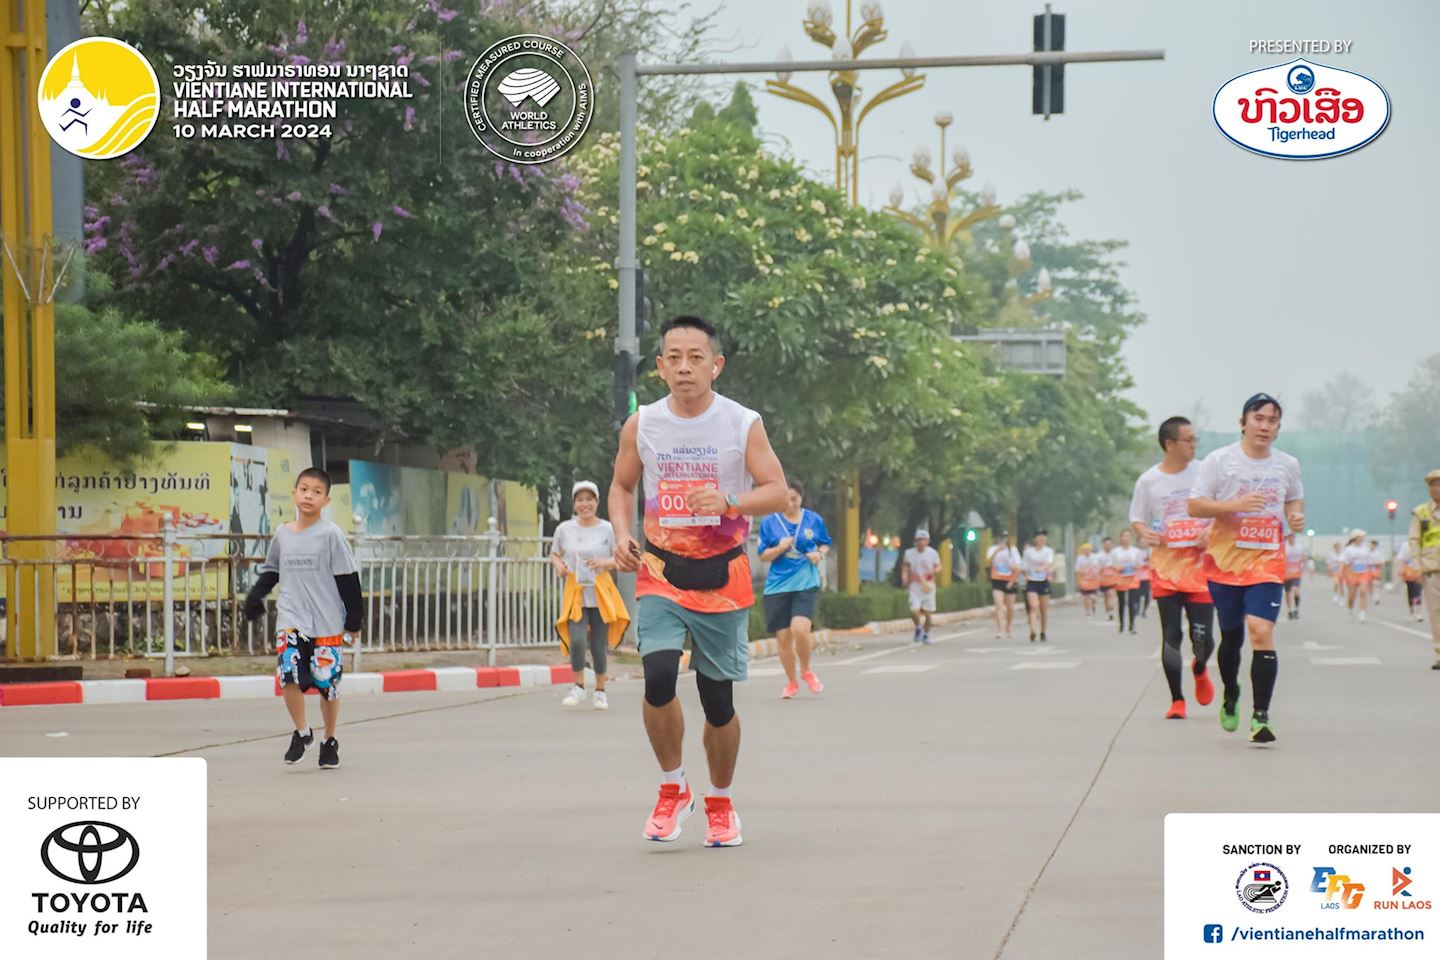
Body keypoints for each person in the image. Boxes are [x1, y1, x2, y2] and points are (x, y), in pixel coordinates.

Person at [609, 315, 788, 848]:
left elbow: (777, 490)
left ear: (716, 364)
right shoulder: (643, 424)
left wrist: (732, 500)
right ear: (661, 367)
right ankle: (672, 789)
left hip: (722, 575)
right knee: (658, 676)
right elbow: (621, 487)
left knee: (717, 701)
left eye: (696, 357)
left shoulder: (741, 423)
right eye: (674, 357)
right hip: (661, 569)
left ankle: (721, 802)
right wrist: (621, 535)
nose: (685, 367)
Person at [1188, 393, 1303, 745]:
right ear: (1243, 423)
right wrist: (1234, 505)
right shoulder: (1219, 461)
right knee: (1232, 636)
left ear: (1278, 428)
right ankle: (1231, 693)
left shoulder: (1287, 464)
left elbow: (1293, 499)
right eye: (1259, 419)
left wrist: (1295, 515)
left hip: (1267, 561)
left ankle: (1261, 716)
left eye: (1272, 421)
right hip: (1224, 562)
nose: (1265, 426)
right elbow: (1194, 506)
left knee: (1260, 631)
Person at [243, 467, 362, 769]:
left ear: (326, 500)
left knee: (327, 684)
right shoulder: (283, 534)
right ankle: (302, 731)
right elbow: (272, 570)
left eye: (317, 491)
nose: (309, 495)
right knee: (289, 676)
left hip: (326, 622)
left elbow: (348, 580)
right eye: (304, 489)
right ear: (295, 493)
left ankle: (329, 739)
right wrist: (256, 597)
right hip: (291, 618)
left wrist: (354, 621)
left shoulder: (331, 535)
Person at [1129, 415, 1215, 719]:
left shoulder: (1205, 472)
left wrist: (1210, 530)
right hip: (1165, 568)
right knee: (1171, 634)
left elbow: (1221, 509)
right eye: (1188, 440)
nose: (1193, 445)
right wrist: (1143, 532)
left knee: (1203, 640)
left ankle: (1200, 668)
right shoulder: (1149, 481)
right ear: (1170, 444)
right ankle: (1177, 700)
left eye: (1195, 440)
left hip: (1201, 569)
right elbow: (1137, 517)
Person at [552, 481, 627, 711]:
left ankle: (601, 691)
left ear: (597, 502)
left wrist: (604, 562)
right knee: (576, 641)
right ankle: (578, 686)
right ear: (574, 503)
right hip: (575, 591)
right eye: (580, 500)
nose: (585, 504)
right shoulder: (564, 529)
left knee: (597, 645)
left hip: (600, 592)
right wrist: (559, 567)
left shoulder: (607, 529)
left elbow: (621, 559)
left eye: (589, 499)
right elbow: (554, 554)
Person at [758, 480, 832, 699]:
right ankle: (791, 682)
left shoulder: (813, 519)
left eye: (794, 499)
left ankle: (806, 670)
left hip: (805, 583)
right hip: (777, 586)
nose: (790, 504)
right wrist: (778, 548)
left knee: (800, 630)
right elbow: (763, 555)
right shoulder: (770, 522)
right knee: (783, 638)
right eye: (786, 499)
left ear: (801, 498)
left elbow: (825, 543)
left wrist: (819, 554)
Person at [1407, 469, 1440, 669]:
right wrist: (1417, 566)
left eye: (1439, 484)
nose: (1436, 488)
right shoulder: (1421, 513)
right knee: (1436, 613)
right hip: (1431, 570)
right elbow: (1414, 540)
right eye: (1432, 485)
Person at [901, 529, 941, 645]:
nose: (922, 542)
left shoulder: (932, 553)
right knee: (915, 611)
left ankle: (926, 634)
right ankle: (918, 627)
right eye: (919, 540)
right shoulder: (909, 553)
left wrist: (933, 571)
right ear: (915, 541)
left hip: (928, 586)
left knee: (928, 614)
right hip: (915, 585)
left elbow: (939, 566)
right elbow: (905, 567)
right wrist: (904, 577)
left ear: (928, 541)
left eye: (924, 540)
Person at [986, 531, 1023, 639]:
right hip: (997, 579)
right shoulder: (992, 549)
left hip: (1010, 579)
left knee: (1010, 607)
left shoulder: (1013, 550)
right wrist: (997, 550)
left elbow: (1018, 566)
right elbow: (988, 562)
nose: (1002, 540)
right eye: (1000, 537)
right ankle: (999, 629)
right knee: (999, 605)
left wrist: (1012, 580)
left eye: (1005, 538)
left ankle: (1008, 626)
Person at [1022, 530, 1056, 642]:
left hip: (1043, 581)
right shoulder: (1028, 552)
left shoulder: (1048, 551)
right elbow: (1025, 565)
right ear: (1035, 539)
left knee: (1043, 610)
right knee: (1033, 606)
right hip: (1032, 581)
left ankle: (1043, 631)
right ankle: (1032, 631)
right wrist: (1026, 574)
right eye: (1039, 537)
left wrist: (1042, 569)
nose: (1041, 539)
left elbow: (1050, 563)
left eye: (1044, 538)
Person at [1112, 529, 1144, 635]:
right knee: (1121, 603)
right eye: (1124, 536)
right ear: (1121, 538)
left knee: (1132, 603)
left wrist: (1135, 567)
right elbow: (1112, 565)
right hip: (1121, 579)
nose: (1126, 538)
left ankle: (1132, 625)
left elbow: (1140, 565)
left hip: (1132, 579)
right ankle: (1121, 624)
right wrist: (1118, 567)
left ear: (1131, 538)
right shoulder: (1116, 551)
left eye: (1128, 536)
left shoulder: (1136, 551)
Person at [1339, 530, 1370, 622]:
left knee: (1363, 591)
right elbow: (1343, 562)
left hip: (1363, 573)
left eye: (1363, 536)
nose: (1362, 538)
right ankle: (1350, 608)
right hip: (1351, 574)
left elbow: (1368, 562)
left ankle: (1362, 613)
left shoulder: (1365, 549)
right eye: (1361, 536)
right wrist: (1341, 572)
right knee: (1352, 595)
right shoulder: (1349, 549)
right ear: (1355, 538)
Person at [1396, 540, 1424, 622]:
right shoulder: (1405, 545)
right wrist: (1400, 570)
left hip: (1418, 572)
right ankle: (1411, 610)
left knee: (1418, 591)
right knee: (1410, 592)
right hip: (1408, 572)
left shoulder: (1421, 545)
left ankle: (1418, 612)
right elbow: (1401, 559)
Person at [1074, 543, 1102, 619]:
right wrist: (1080, 578)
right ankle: (1087, 611)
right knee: (1086, 597)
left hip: (1093, 580)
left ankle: (1093, 606)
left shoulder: (1095, 557)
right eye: (1085, 550)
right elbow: (1077, 569)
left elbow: (1098, 567)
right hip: (1084, 580)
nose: (1086, 551)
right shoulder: (1080, 558)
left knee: (1093, 597)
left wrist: (1094, 572)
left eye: (1088, 549)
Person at [1283, 533, 1305, 621]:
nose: (1291, 538)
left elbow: (1303, 557)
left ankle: (1296, 609)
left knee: (1296, 590)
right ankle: (1289, 610)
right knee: (1288, 593)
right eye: (1289, 536)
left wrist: (1301, 563)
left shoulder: (1299, 547)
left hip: (1296, 573)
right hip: (1286, 574)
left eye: (1293, 536)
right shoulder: (1284, 547)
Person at [1097, 536, 1118, 621]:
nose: (1108, 546)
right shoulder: (1099, 555)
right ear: (1103, 545)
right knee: (1106, 597)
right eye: (1106, 544)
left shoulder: (1115, 554)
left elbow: (1118, 565)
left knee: (1111, 594)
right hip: (1103, 579)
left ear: (1112, 545)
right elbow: (1097, 567)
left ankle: (1112, 610)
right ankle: (1108, 612)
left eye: (1109, 544)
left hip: (1112, 578)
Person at [1136, 546, 1153, 619]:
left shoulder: (1150, 551)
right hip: (1138, 577)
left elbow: (1153, 563)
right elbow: (1136, 564)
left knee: (1147, 595)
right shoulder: (1137, 552)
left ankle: (1145, 610)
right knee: (1138, 595)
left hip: (1148, 577)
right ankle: (1137, 609)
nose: (1143, 543)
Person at [1367, 539, 1384, 608]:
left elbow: (1382, 561)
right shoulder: (1366, 552)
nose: (1373, 546)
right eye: (1372, 544)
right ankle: (1371, 595)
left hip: (1376, 569)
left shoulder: (1378, 553)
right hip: (1368, 569)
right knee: (1369, 583)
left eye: (1374, 544)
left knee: (1376, 583)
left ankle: (1376, 596)